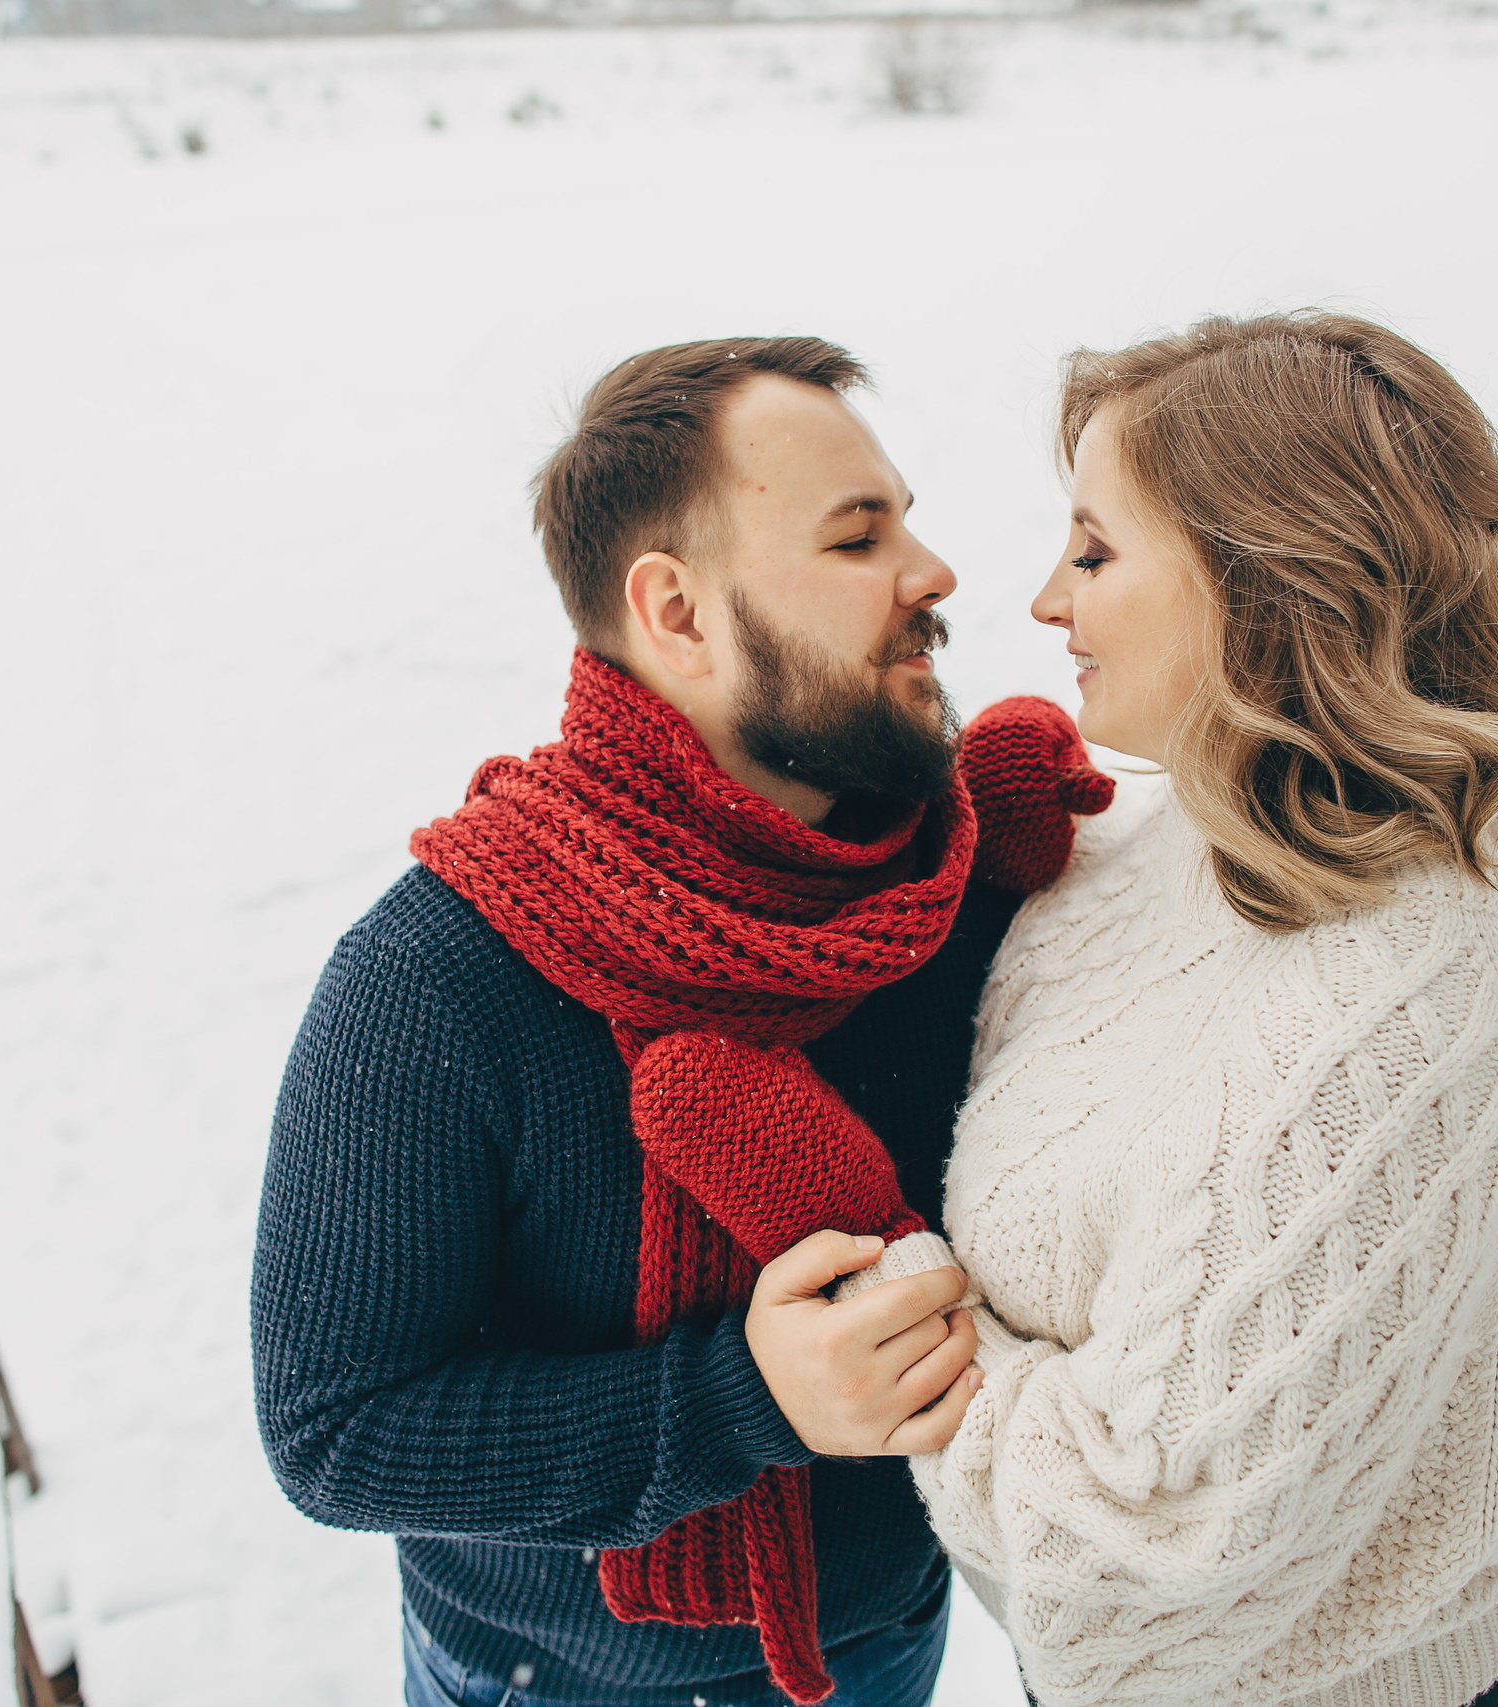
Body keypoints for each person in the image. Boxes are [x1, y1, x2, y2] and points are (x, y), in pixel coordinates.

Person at [250, 337, 1109, 1707]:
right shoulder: (444, 979)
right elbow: (338, 1433)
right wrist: (743, 1401)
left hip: (894, 1631)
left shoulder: (953, 883)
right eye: (856, 536)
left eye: (908, 516)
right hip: (571, 1681)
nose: (934, 572)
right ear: (681, 614)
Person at [890, 312, 1498, 1707]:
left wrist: (898, 1312)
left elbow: (1139, 1562)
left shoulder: (1390, 996)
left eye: (1095, 549)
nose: (1042, 601)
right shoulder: (1181, 838)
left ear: (1269, 583)